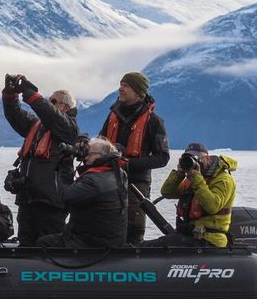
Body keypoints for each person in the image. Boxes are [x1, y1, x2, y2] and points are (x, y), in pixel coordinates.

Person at [1, 75, 85, 246]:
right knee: (26, 245)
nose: (49, 103)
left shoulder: (69, 128)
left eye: (54, 101)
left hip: (52, 202)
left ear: (66, 107)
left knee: (49, 246)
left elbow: (50, 114)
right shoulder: (36, 126)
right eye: (49, 100)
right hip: (27, 198)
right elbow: (14, 115)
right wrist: (10, 94)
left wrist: (30, 93)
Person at [100, 71, 170, 245]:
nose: (120, 89)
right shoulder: (112, 116)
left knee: (133, 228)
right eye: (120, 84)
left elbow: (162, 157)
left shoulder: (154, 122)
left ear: (138, 92)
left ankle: (134, 263)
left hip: (137, 184)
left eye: (126, 86)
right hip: (108, 180)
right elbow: (100, 141)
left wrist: (130, 164)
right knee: (105, 225)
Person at [38, 138, 127, 249]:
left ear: (101, 156)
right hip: (111, 239)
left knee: (43, 242)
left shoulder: (94, 181)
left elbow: (64, 197)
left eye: (90, 154)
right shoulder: (118, 173)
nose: (85, 157)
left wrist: (66, 165)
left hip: (90, 242)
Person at [146, 143, 238, 247]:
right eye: (187, 158)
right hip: (190, 236)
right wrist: (179, 174)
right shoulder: (193, 178)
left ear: (207, 159)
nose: (193, 162)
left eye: (196, 158)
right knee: (150, 246)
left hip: (210, 239)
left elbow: (212, 206)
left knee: (153, 246)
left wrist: (196, 178)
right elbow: (167, 192)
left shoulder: (223, 180)